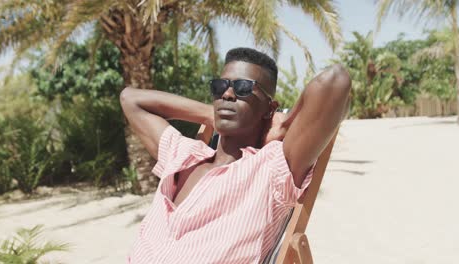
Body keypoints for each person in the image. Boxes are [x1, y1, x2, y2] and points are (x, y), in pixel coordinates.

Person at [120, 47, 351, 263]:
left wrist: (284, 125)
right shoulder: (183, 153)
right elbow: (130, 99)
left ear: (270, 109)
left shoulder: (270, 171)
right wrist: (211, 115)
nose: (227, 94)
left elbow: (335, 81)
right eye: (220, 87)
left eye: (243, 88)